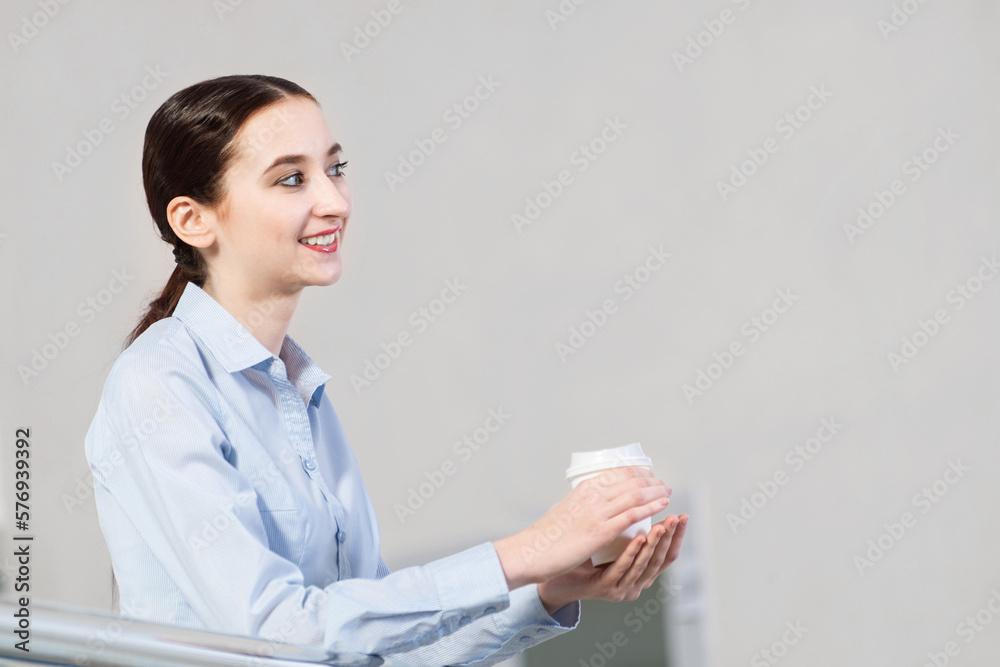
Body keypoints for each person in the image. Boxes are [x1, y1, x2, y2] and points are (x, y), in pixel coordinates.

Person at [83, 74, 688, 665]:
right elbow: (279, 633)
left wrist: (552, 585)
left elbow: (376, 647)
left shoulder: (297, 390)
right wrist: (528, 550)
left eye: (335, 169)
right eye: (292, 179)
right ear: (194, 220)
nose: (335, 201)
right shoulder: (157, 385)